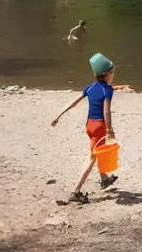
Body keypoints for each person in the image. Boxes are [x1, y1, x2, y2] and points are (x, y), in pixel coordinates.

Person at [51, 53, 120, 198]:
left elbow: (74, 102)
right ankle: (76, 191)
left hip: (89, 125)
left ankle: (104, 179)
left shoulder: (90, 87)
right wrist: (109, 129)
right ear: (107, 74)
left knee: (99, 151)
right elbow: (106, 111)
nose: (113, 75)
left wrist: (59, 116)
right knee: (92, 158)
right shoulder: (107, 89)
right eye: (113, 72)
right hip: (100, 127)